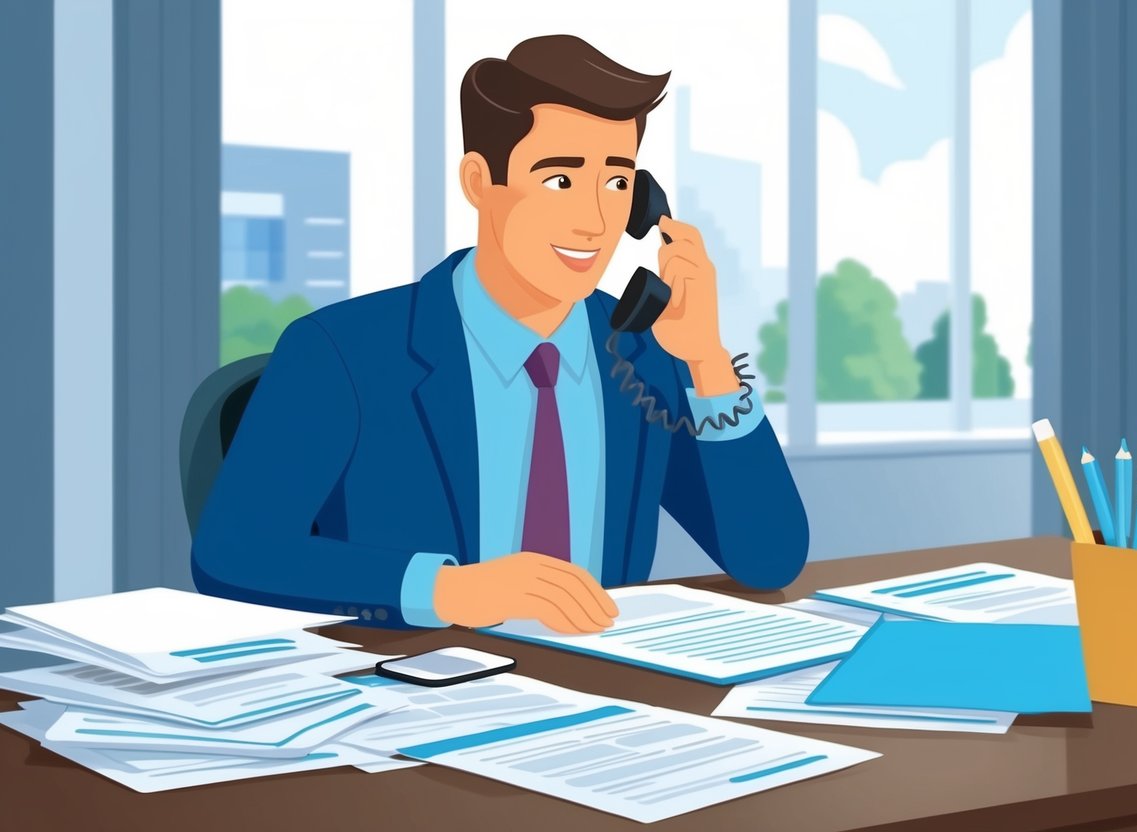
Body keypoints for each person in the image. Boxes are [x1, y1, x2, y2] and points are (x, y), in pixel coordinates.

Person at [192, 34, 809, 633]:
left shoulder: (642, 353)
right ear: (479, 182)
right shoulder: (344, 352)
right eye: (560, 181)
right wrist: (450, 590)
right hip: (414, 695)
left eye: (617, 182)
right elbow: (233, 553)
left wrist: (706, 359)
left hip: (607, 693)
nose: (594, 221)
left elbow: (769, 558)